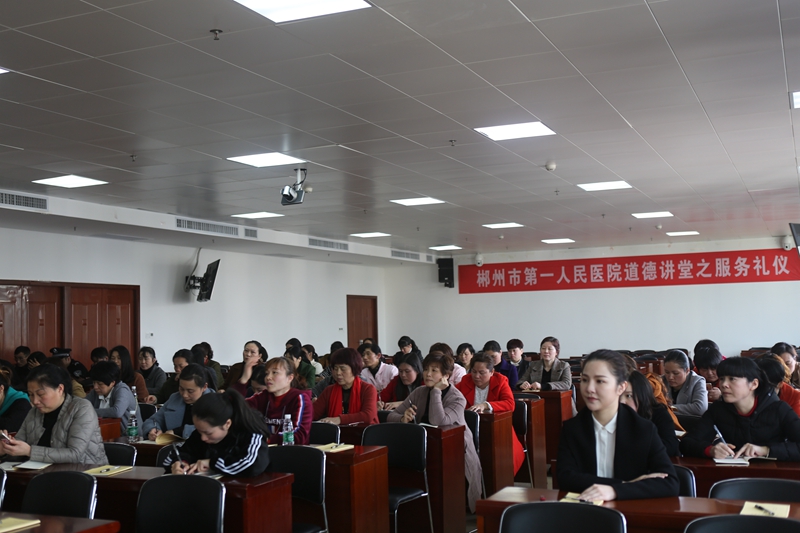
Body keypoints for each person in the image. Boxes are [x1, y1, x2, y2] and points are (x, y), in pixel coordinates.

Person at [558, 349, 679, 501]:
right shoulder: (572, 428)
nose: (589, 388)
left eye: (600, 381)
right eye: (585, 380)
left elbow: (670, 483)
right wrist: (622, 485)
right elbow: (565, 478)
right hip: (586, 509)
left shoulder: (643, 429)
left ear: (621, 387)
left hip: (629, 510)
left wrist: (614, 491)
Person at [388, 353, 482, 512]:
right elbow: (391, 415)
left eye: (434, 370)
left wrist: (436, 391)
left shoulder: (458, 398)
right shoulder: (419, 392)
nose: (428, 374)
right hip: (424, 445)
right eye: (426, 369)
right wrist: (403, 418)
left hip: (456, 449)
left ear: (446, 376)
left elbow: (438, 421)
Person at [680, 357, 800, 460]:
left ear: (754, 384)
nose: (724, 384)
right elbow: (687, 443)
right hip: (733, 472)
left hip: (773, 474)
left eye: (732, 379)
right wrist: (710, 450)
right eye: (722, 379)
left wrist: (766, 450)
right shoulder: (718, 409)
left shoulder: (779, 409)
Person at [0, 365, 107, 464]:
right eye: (31, 395)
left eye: (40, 394)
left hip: (84, 472)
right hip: (41, 473)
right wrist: (7, 449)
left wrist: (30, 451)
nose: (35, 401)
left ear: (60, 389)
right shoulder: (34, 412)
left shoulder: (82, 408)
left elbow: (74, 454)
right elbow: (20, 446)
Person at [165, 389, 270, 477]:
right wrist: (180, 463)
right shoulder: (200, 435)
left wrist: (211, 464)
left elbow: (252, 465)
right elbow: (176, 454)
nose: (203, 438)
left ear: (227, 424)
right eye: (199, 431)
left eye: (208, 433)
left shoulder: (249, 433)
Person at [456, 352, 525, 473]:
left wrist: (486, 405)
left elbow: (510, 404)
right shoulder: (465, 380)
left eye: (482, 373)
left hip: (497, 429)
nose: (476, 376)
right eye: (474, 371)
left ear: (492, 372)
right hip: (469, 429)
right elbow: (453, 397)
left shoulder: (501, 381)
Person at [232, 356, 312, 445]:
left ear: (290, 378)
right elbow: (233, 407)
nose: (268, 377)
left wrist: (266, 439)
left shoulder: (300, 399)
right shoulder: (263, 396)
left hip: (291, 451)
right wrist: (244, 380)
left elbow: (299, 435)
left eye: (275, 372)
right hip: (264, 449)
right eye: (267, 373)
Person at [143, 364, 213, 440]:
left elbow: (211, 427)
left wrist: (177, 432)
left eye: (190, 391)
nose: (184, 395)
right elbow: (153, 420)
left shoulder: (214, 402)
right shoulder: (175, 398)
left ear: (204, 387)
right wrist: (153, 429)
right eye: (181, 389)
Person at [621, 371, 680, 456]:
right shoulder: (612, 415)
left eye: (629, 396)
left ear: (642, 395)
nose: (621, 401)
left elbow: (670, 446)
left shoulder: (659, 413)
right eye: (618, 396)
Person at [313, 348, 378, 425]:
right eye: (335, 369)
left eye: (343, 369)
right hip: (337, 432)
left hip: (363, 431)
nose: (338, 373)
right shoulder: (329, 390)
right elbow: (313, 413)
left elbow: (368, 415)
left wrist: (339, 419)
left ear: (354, 369)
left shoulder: (368, 389)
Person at [85, 361, 140, 434]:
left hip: (128, 435)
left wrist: (90, 412)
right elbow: (82, 405)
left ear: (112, 383)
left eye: (100, 384)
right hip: (103, 433)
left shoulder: (122, 390)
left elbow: (117, 412)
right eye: (94, 382)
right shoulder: (96, 392)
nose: (95, 387)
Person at [662, 350, 707, 416]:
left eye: (675, 373)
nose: (670, 377)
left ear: (687, 371)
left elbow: (700, 408)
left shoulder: (697, 381)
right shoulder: (661, 380)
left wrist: (669, 408)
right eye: (667, 372)